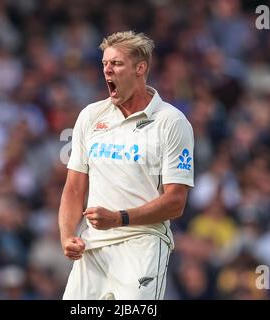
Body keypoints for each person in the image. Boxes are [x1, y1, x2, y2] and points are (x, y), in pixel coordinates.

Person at [58, 31, 194, 300]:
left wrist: (118, 218)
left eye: (117, 64)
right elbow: (74, 187)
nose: (107, 70)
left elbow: (176, 202)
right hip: (93, 247)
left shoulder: (171, 122)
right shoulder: (90, 115)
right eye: (104, 64)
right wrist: (66, 235)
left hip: (142, 243)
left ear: (140, 68)